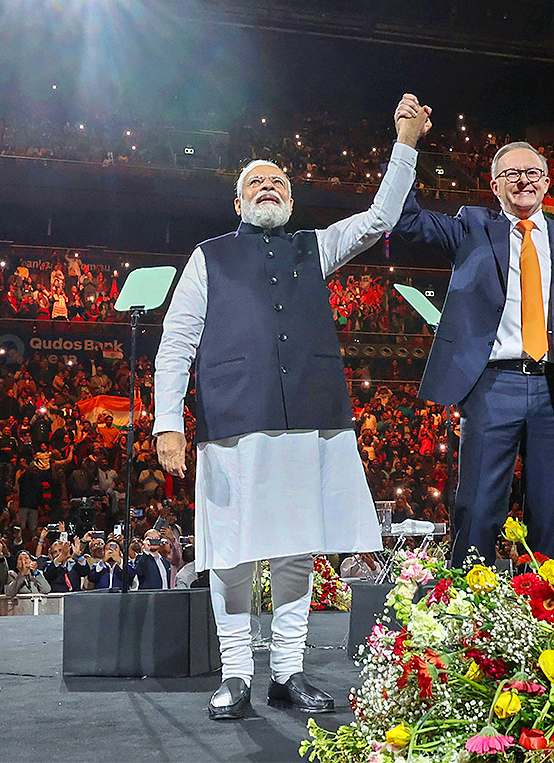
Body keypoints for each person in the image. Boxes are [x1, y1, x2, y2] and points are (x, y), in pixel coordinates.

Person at [154, 95, 431, 722]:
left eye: (278, 181)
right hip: (232, 421)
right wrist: (167, 422)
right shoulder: (209, 256)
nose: (269, 187)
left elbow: (380, 216)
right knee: (231, 553)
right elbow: (175, 343)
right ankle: (233, 676)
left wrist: (406, 144)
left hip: (311, 418)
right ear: (237, 201)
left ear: (291, 198)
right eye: (256, 181)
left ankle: (285, 673)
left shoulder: (316, 246)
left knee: (296, 549)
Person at [391, 110, 554, 565]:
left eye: (533, 172)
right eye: (512, 173)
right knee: (478, 507)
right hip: (491, 386)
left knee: (553, 514)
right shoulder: (470, 227)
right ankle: (464, 608)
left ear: (547, 181)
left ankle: (550, 619)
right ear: (494, 184)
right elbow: (403, 219)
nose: (524, 180)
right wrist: (407, 142)